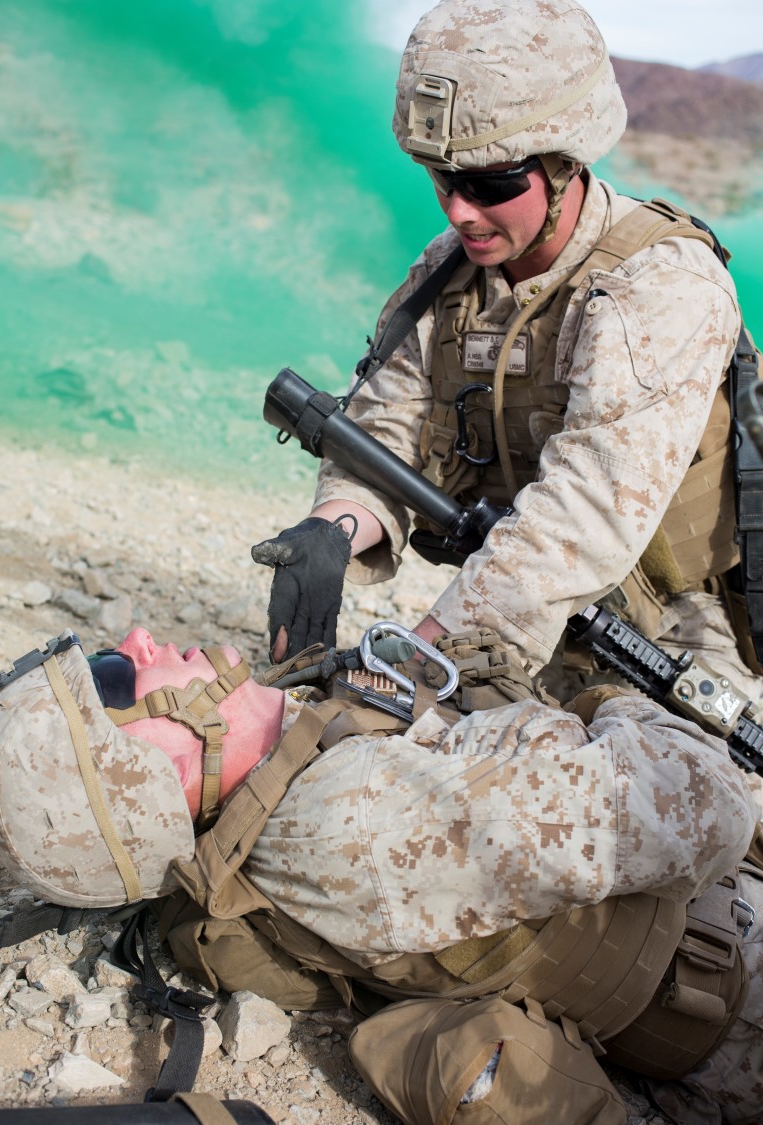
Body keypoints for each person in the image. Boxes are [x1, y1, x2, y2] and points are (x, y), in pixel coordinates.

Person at [0, 624, 761, 1125]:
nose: (136, 642)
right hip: (733, 968)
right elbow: (713, 805)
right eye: (113, 679)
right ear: (158, 775)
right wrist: (616, 699)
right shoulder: (361, 822)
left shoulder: (293, 783)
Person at [251, 0, 759, 708]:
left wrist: (418, 658)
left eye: (490, 184)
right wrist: (333, 528)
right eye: (441, 178)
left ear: (563, 163)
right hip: (520, 633)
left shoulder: (660, 285)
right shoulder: (448, 274)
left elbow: (585, 515)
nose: (460, 210)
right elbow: (385, 434)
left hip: (675, 648)